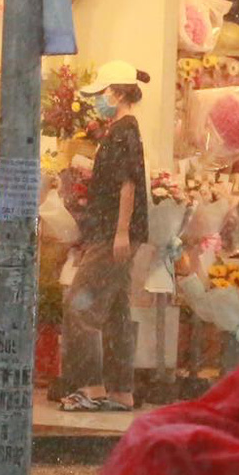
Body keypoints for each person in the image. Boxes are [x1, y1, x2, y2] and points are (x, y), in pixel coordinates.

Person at [60, 61, 150, 413]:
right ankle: (120, 390)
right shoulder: (124, 130)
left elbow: (127, 184)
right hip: (117, 230)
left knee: (79, 304)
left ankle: (89, 387)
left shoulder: (123, 132)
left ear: (116, 93)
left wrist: (121, 232)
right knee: (115, 310)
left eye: (102, 93)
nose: (99, 99)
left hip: (113, 231)